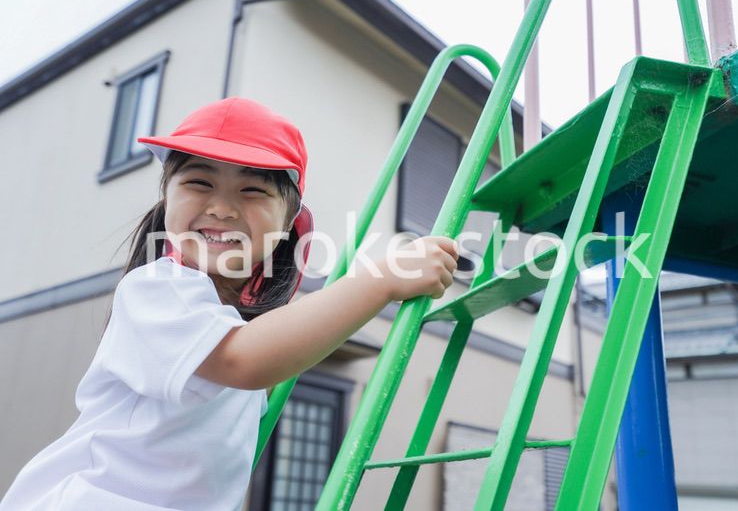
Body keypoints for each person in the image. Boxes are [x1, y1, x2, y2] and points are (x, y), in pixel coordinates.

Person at [0, 97, 459, 510]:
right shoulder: (157, 288)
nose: (221, 207)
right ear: (167, 200)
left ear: (288, 225)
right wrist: (379, 280)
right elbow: (241, 359)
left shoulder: (237, 323)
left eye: (252, 190)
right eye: (199, 182)